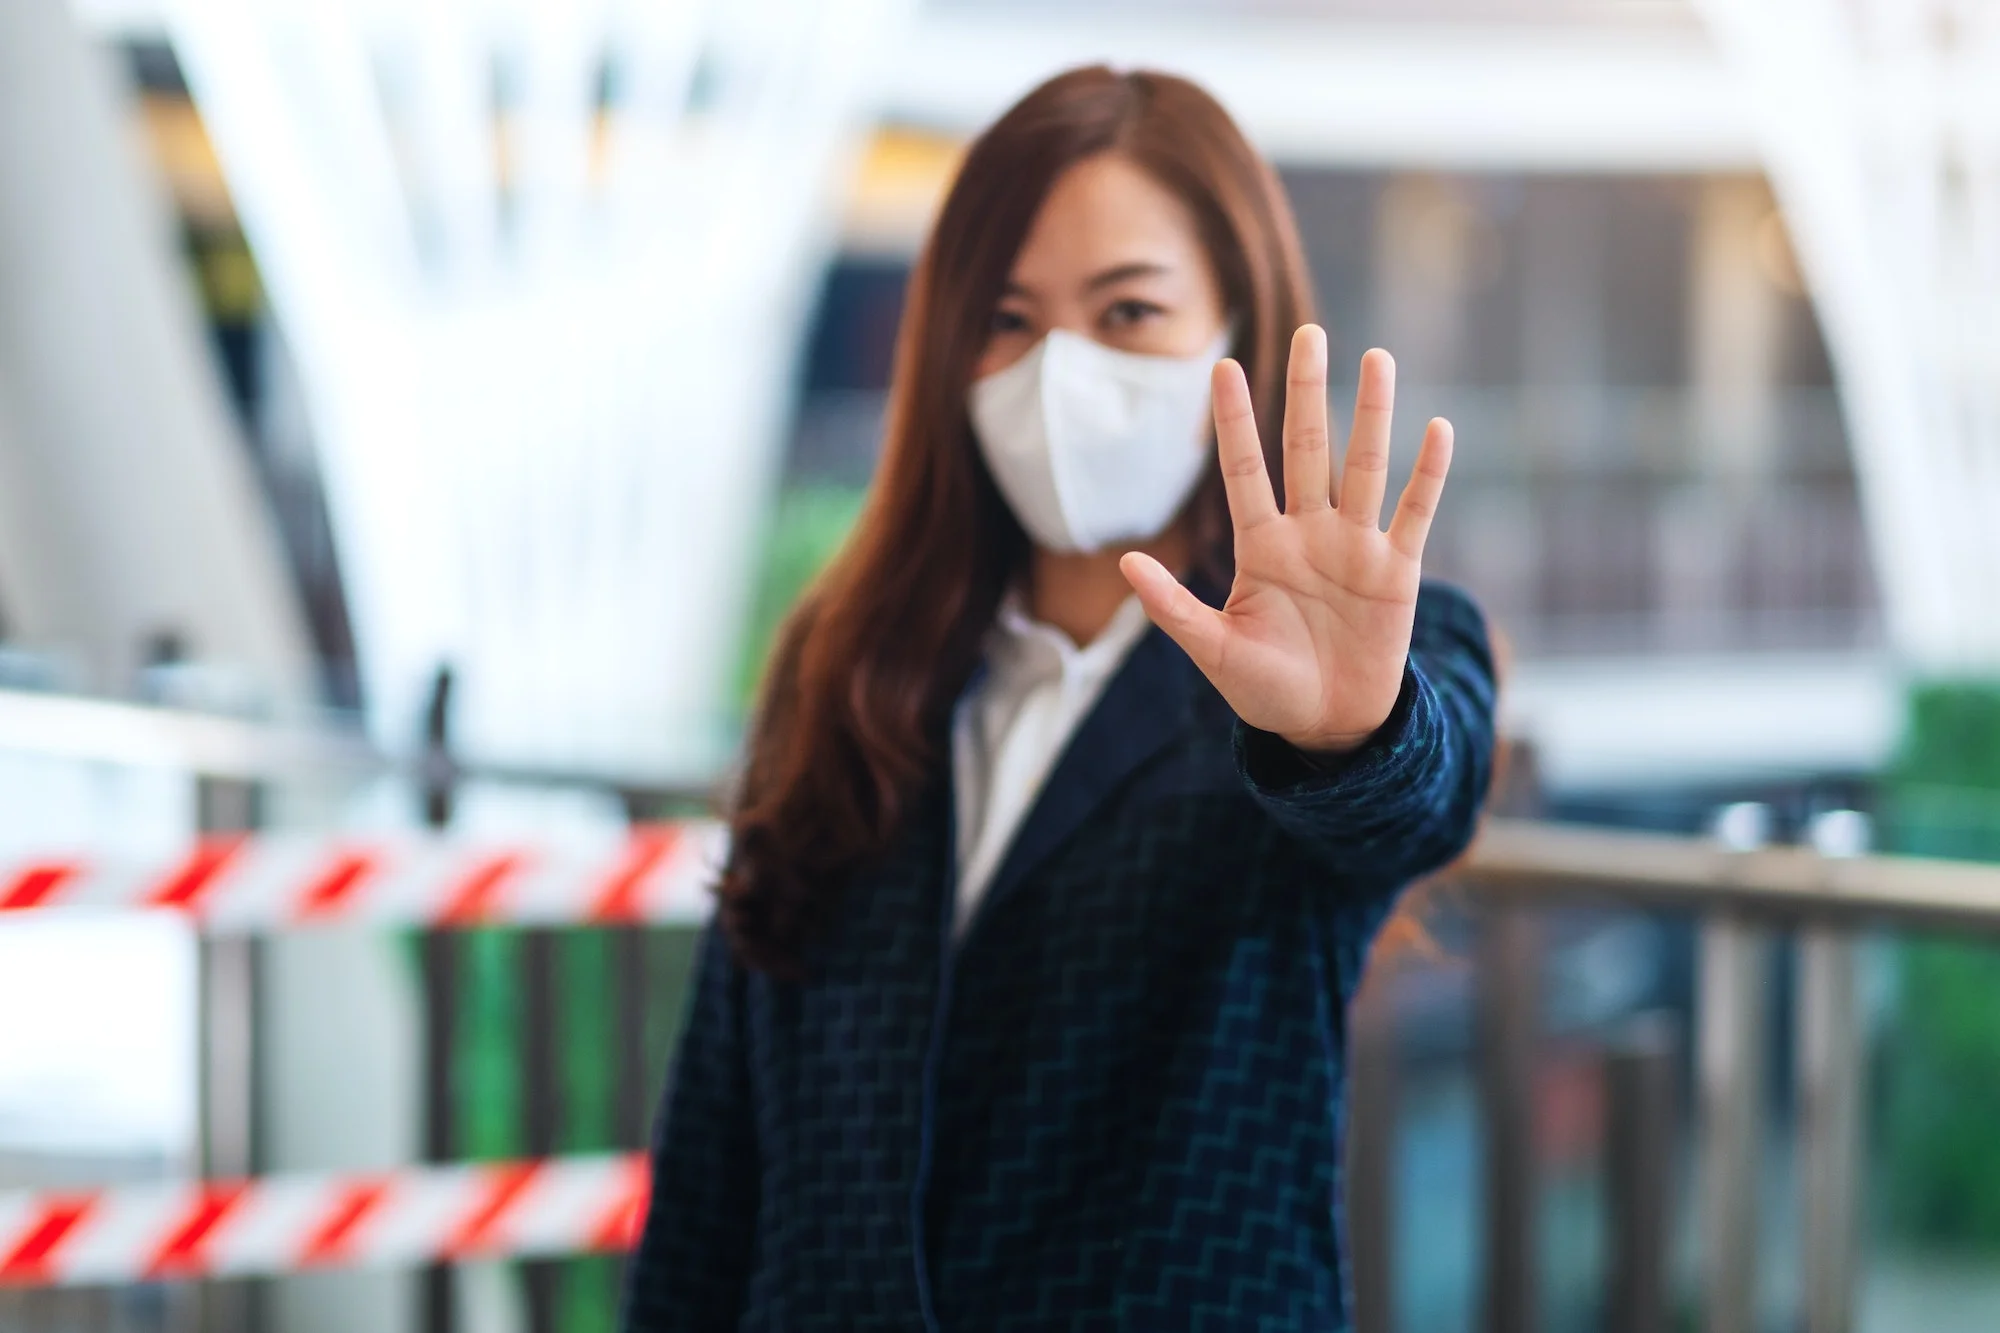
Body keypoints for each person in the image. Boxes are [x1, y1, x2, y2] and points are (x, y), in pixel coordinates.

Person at [620, 64, 1495, 1331]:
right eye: (1010, 320)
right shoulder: (848, 664)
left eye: (1127, 312)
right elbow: (715, 1149)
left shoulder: (1321, 667)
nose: (1054, 374)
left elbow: (1420, 786)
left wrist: (1345, 733)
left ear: (1233, 335)